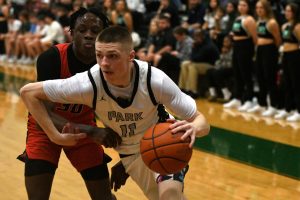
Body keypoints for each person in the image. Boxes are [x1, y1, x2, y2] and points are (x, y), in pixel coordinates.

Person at [19, 25, 210, 200]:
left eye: (112, 56)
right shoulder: (88, 84)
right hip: (131, 155)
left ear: (130, 56)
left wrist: (194, 127)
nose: (104, 63)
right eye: (99, 55)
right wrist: (55, 136)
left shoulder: (155, 80)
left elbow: (202, 121)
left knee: (171, 196)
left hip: (162, 142)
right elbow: (28, 93)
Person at [17, 7, 119, 200]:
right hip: (46, 130)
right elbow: (43, 118)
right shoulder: (51, 58)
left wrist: (127, 161)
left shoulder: (109, 65)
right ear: (71, 33)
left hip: (84, 130)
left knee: (104, 197)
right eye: (82, 30)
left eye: (95, 31)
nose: (89, 35)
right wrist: (91, 131)